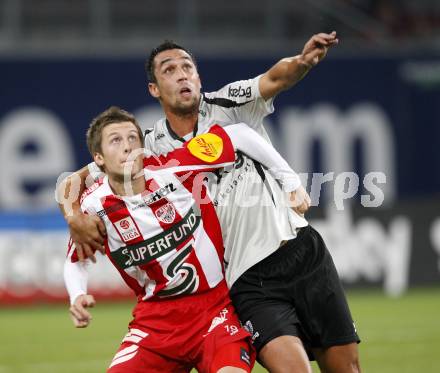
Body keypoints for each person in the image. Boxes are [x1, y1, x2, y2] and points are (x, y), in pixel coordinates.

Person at [60, 32, 361, 373]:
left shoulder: (228, 105)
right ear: (154, 89)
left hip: (300, 247)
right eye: (169, 70)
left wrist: (303, 63)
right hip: (245, 277)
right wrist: (73, 217)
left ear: (199, 77)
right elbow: (74, 181)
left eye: (187, 66)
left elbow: (276, 77)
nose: (182, 74)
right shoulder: (148, 147)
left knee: (346, 368)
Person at [64, 106, 305, 372]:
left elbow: (237, 134)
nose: (127, 146)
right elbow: (77, 260)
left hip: (215, 310)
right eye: (116, 140)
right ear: (98, 158)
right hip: (155, 322)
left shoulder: (175, 169)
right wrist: (77, 295)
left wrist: (291, 181)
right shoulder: (93, 206)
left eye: (133, 138)